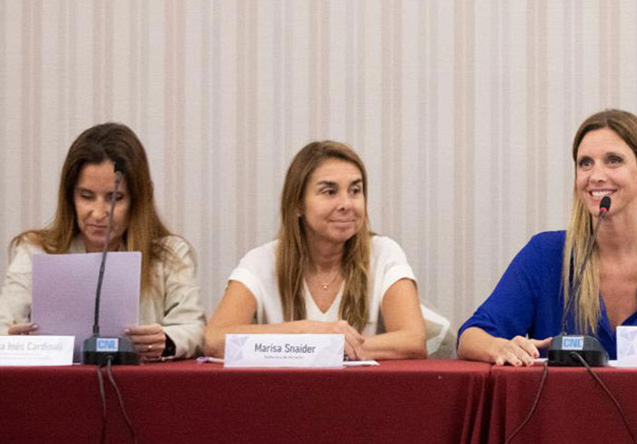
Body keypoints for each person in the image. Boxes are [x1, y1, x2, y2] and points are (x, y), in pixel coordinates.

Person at [457, 109, 637, 366]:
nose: (596, 175)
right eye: (585, 163)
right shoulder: (545, 255)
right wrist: (500, 347)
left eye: (613, 160)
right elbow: (470, 336)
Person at [0, 122, 205, 361]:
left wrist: (166, 341)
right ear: (70, 197)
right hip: (55, 386)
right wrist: (14, 343)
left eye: (114, 198)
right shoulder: (34, 250)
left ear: (139, 200)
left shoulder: (169, 254)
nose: (98, 213)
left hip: (141, 387)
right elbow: (3, 326)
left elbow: (196, 329)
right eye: (86, 196)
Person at [204, 141, 426, 360]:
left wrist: (331, 344)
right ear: (298, 204)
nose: (346, 204)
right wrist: (308, 332)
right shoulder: (262, 261)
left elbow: (413, 341)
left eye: (355, 191)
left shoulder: (384, 253)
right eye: (329, 192)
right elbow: (214, 340)